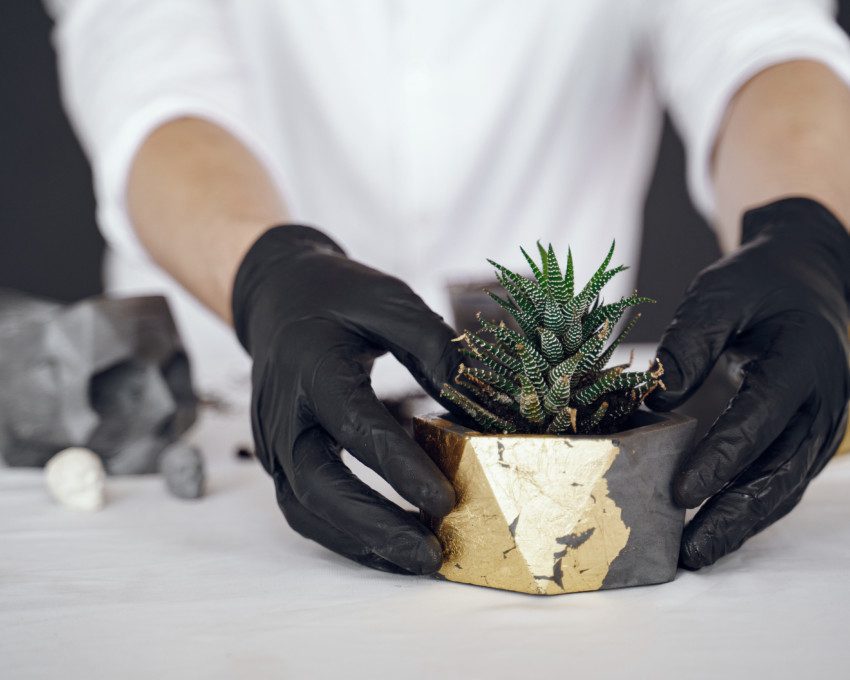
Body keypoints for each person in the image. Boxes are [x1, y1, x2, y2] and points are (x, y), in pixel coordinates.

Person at [48, 0, 850, 574]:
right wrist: (264, 273)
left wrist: (809, 237)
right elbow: (145, 70)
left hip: (569, 446)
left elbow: (762, 39)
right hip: (237, 421)